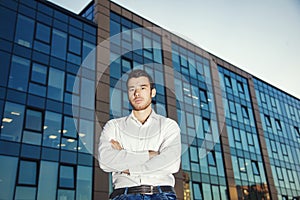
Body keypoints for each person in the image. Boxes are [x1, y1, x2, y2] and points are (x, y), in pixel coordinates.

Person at [98, 69, 181, 200]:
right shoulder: (113, 126)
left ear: (152, 92)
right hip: (124, 195)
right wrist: (150, 155)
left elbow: (171, 164)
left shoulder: (168, 125)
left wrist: (126, 165)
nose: (137, 93)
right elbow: (105, 161)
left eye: (142, 88)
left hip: (162, 194)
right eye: (132, 89)